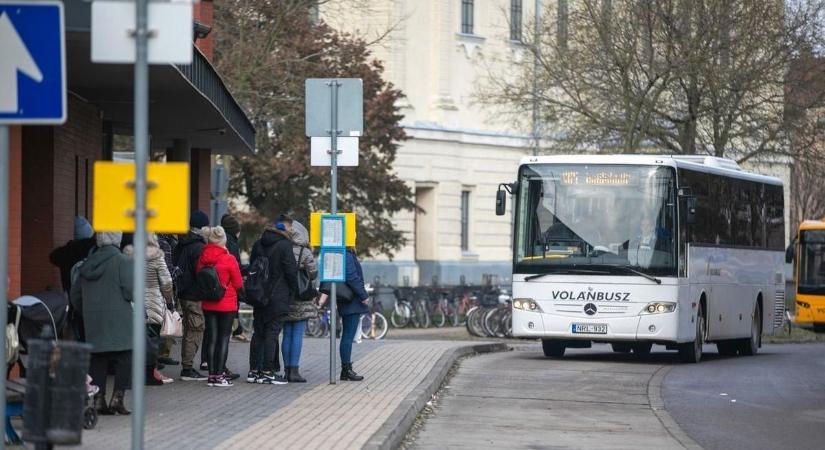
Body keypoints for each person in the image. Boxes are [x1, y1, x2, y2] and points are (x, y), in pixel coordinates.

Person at [70, 232, 134, 415]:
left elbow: (75, 296)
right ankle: (117, 399)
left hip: (93, 319)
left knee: (98, 359)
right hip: (120, 319)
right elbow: (130, 291)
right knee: (124, 357)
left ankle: (98, 400)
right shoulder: (123, 261)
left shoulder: (86, 264)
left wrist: (87, 312)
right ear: (117, 240)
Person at [247, 221, 298, 385]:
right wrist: (294, 291)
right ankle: (268, 371)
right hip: (278, 296)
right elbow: (291, 271)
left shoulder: (258, 244)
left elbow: (252, 267)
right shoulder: (285, 245)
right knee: (272, 333)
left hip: (259, 295)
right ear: (284, 232)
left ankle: (254, 371)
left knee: (258, 333)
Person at [124, 233, 174, 385]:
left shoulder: (128, 256)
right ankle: (150, 374)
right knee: (152, 340)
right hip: (153, 303)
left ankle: (134, 373)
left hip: (133, 302)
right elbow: (166, 282)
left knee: (134, 339)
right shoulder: (157, 257)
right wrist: (169, 301)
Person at [198, 227, 244, 387]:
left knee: (211, 338)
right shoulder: (229, 259)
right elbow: (238, 283)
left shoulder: (203, 257)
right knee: (223, 339)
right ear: (223, 240)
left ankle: (211, 376)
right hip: (226, 304)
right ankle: (219, 376)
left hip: (208, 303)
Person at [319, 245, 369, 381]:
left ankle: (346, 369)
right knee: (348, 336)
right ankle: (346, 369)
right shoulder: (347, 254)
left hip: (347, 300)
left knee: (347, 336)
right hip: (351, 301)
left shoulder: (342, 254)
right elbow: (352, 277)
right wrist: (363, 295)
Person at [173, 210, 209, 381]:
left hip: (183, 292)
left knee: (189, 329)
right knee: (195, 330)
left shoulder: (181, 243)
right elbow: (201, 274)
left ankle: (187, 366)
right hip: (194, 295)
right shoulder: (199, 247)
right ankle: (187, 368)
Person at [281, 221, 318, 383]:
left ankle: (286, 370)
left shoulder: (284, 248)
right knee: (297, 334)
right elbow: (313, 273)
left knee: (286, 333)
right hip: (301, 297)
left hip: (285, 295)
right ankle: (294, 370)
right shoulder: (305, 252)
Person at [49, 216, 96, 339]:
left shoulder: (67, 252)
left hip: (72, 299)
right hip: (92, 298)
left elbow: (53, 256)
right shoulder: (95, 249)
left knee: (77, 330)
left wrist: (71, 245)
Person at [221, 214, 249, 343]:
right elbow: (235, 267)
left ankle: (237, 330)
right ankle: (235, 331)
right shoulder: (232, 244)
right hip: (229, 286)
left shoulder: (219, 241)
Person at [156, 233, 180, 367]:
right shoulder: (164, 244)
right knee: (161, 325)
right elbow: (168, 274)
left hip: (149, 294)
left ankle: (157, 358)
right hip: (159, 294)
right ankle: (156, 360)